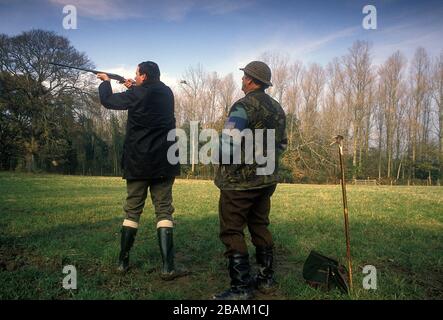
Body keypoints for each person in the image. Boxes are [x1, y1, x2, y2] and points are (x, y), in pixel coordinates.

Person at [97, 61, 187, 280]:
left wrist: (106, 82)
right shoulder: (167, 92)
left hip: (138, 162)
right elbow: (147, 99)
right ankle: (168, 268)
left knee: (132, 211)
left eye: (137, 74)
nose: (134, 77)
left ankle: (122, 263)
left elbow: (108, 101)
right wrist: (132, 87)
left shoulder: (138, 94)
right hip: (164, 162)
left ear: (144, 76)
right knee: (164, 211)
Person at [213, 61, 287, 299]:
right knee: (259, 224)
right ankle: (266, 279)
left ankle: (241, 289)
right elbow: (282, 143)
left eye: (244, 77)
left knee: (232, 229)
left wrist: (219, 160)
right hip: (267, 180)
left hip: (240, 183)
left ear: (250, 80)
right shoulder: (277, 108)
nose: (242, 80)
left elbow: (228, 142)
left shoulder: (243, 106)